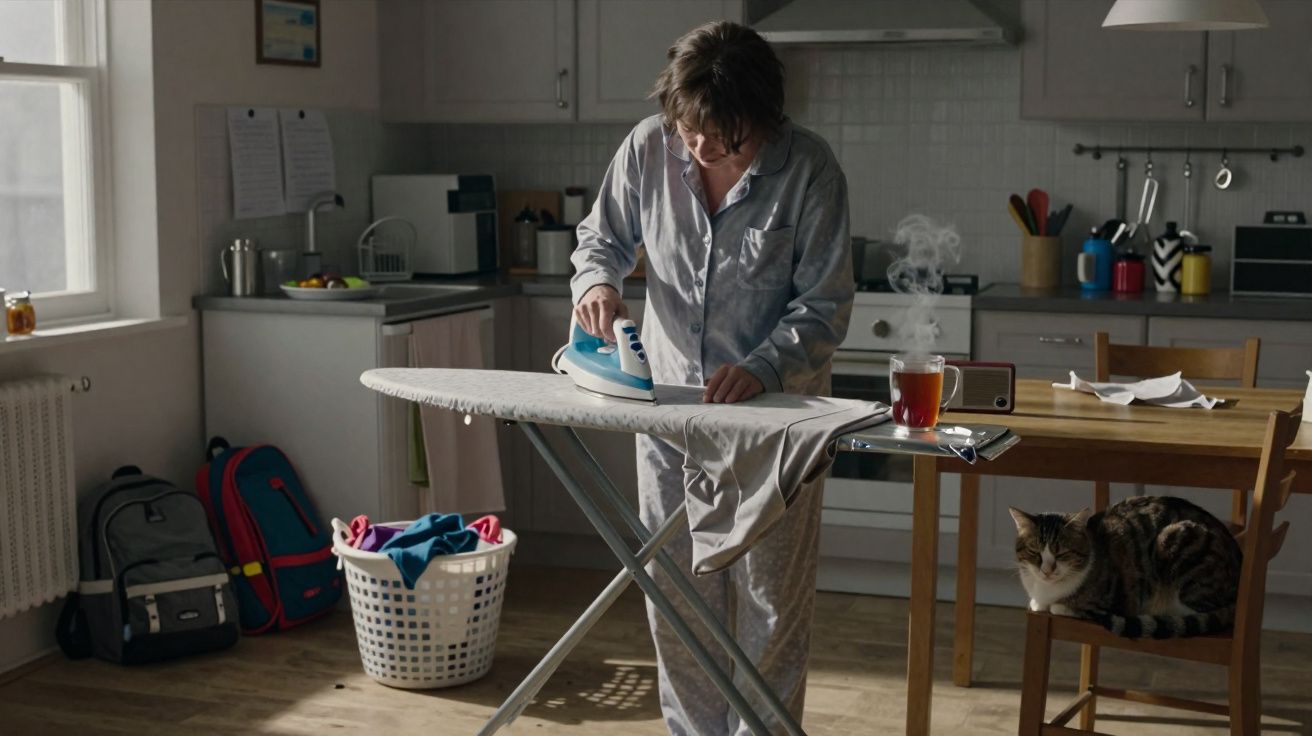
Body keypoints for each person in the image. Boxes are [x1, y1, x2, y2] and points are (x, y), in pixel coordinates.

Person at [569, 20, 853, 736]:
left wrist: (761, 369)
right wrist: (597, 283)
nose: (698, 148)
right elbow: (601, 237)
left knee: (769, 610)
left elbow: (825, 306)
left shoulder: (809, 171)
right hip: (669, 416)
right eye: (688, 129)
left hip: (776, 427)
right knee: (677, 598)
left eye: (722, 139)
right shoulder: (648, 146)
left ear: (763, 120)